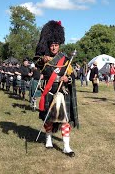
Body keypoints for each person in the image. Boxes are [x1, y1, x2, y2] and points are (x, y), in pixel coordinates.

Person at [35, 20, 79, 157]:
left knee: (65, 120)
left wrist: (67, 79)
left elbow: (73, 76)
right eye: (52, 45)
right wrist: (43, 60)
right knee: (48, 119)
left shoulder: (66, 60)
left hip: (62, 92)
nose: (54, 48)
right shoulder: (44, 59)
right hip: (49, 91)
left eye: (56, 45)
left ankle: (66, 146)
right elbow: (37, 66)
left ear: (59, 45)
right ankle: (48, 139)